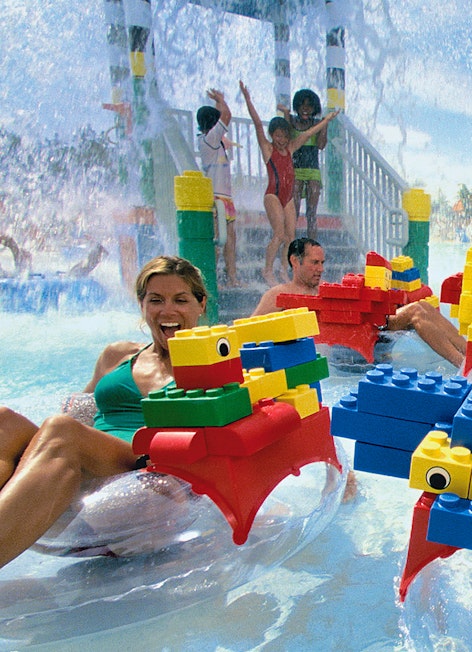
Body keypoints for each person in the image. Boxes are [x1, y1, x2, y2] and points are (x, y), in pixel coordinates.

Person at [0, 256, 208, 569]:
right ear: (142, 305)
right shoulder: (118, 354)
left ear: (200, 305)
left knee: (61, 430)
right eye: (156, 300)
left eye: (181, 299)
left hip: (141, 464)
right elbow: (81, 410)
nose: (168, 311)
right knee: (4, 420)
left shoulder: (214, 362)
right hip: (83, 452)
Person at [252, 238, 467, 369]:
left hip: (366, 331)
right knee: (416, 315)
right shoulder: (279, 294)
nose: (320, 269)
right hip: (346, 350)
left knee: (421, 307)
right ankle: (463, 364)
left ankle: (470, 352)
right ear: (295, 261)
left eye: (322, 263)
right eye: (314, 263)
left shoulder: (322, 288)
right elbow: (251, 327)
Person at [240, 81, 340, 287]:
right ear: (272, 136)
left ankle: (284, 270)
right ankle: (267, 269)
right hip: (273, 195)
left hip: (286, 198)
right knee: (279, 234)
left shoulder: (291, 148)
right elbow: (258, 124)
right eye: (278, 136)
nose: (282, 140)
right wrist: (248, 99)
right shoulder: (268, 150)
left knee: (291, 237)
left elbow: (308, 134)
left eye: (285, 136)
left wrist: (327, 119)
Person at [197, 88, 241, 287]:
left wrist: (217, 103)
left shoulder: (215, 141)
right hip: (216, 198)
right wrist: (222, 100)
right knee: (217, 242)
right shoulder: (209, 141)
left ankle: (232, 277)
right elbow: (227, 116)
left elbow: (220, 118)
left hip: (226, 198)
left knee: (230, 241)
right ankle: (212, 280)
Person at [279, 89, 328, 241]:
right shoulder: (292, 122)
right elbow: (285, 140)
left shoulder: (317, 124)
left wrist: (324, 125)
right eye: (302, 105)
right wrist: (286, 115)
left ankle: (312, 245)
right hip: (295, 171)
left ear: (315, 109)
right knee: (293, 210)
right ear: (297, 107)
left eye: (309, 106)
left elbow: (320, 145)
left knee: (311, 212)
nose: (305, 109)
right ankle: (291, 243)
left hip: (313, 171)